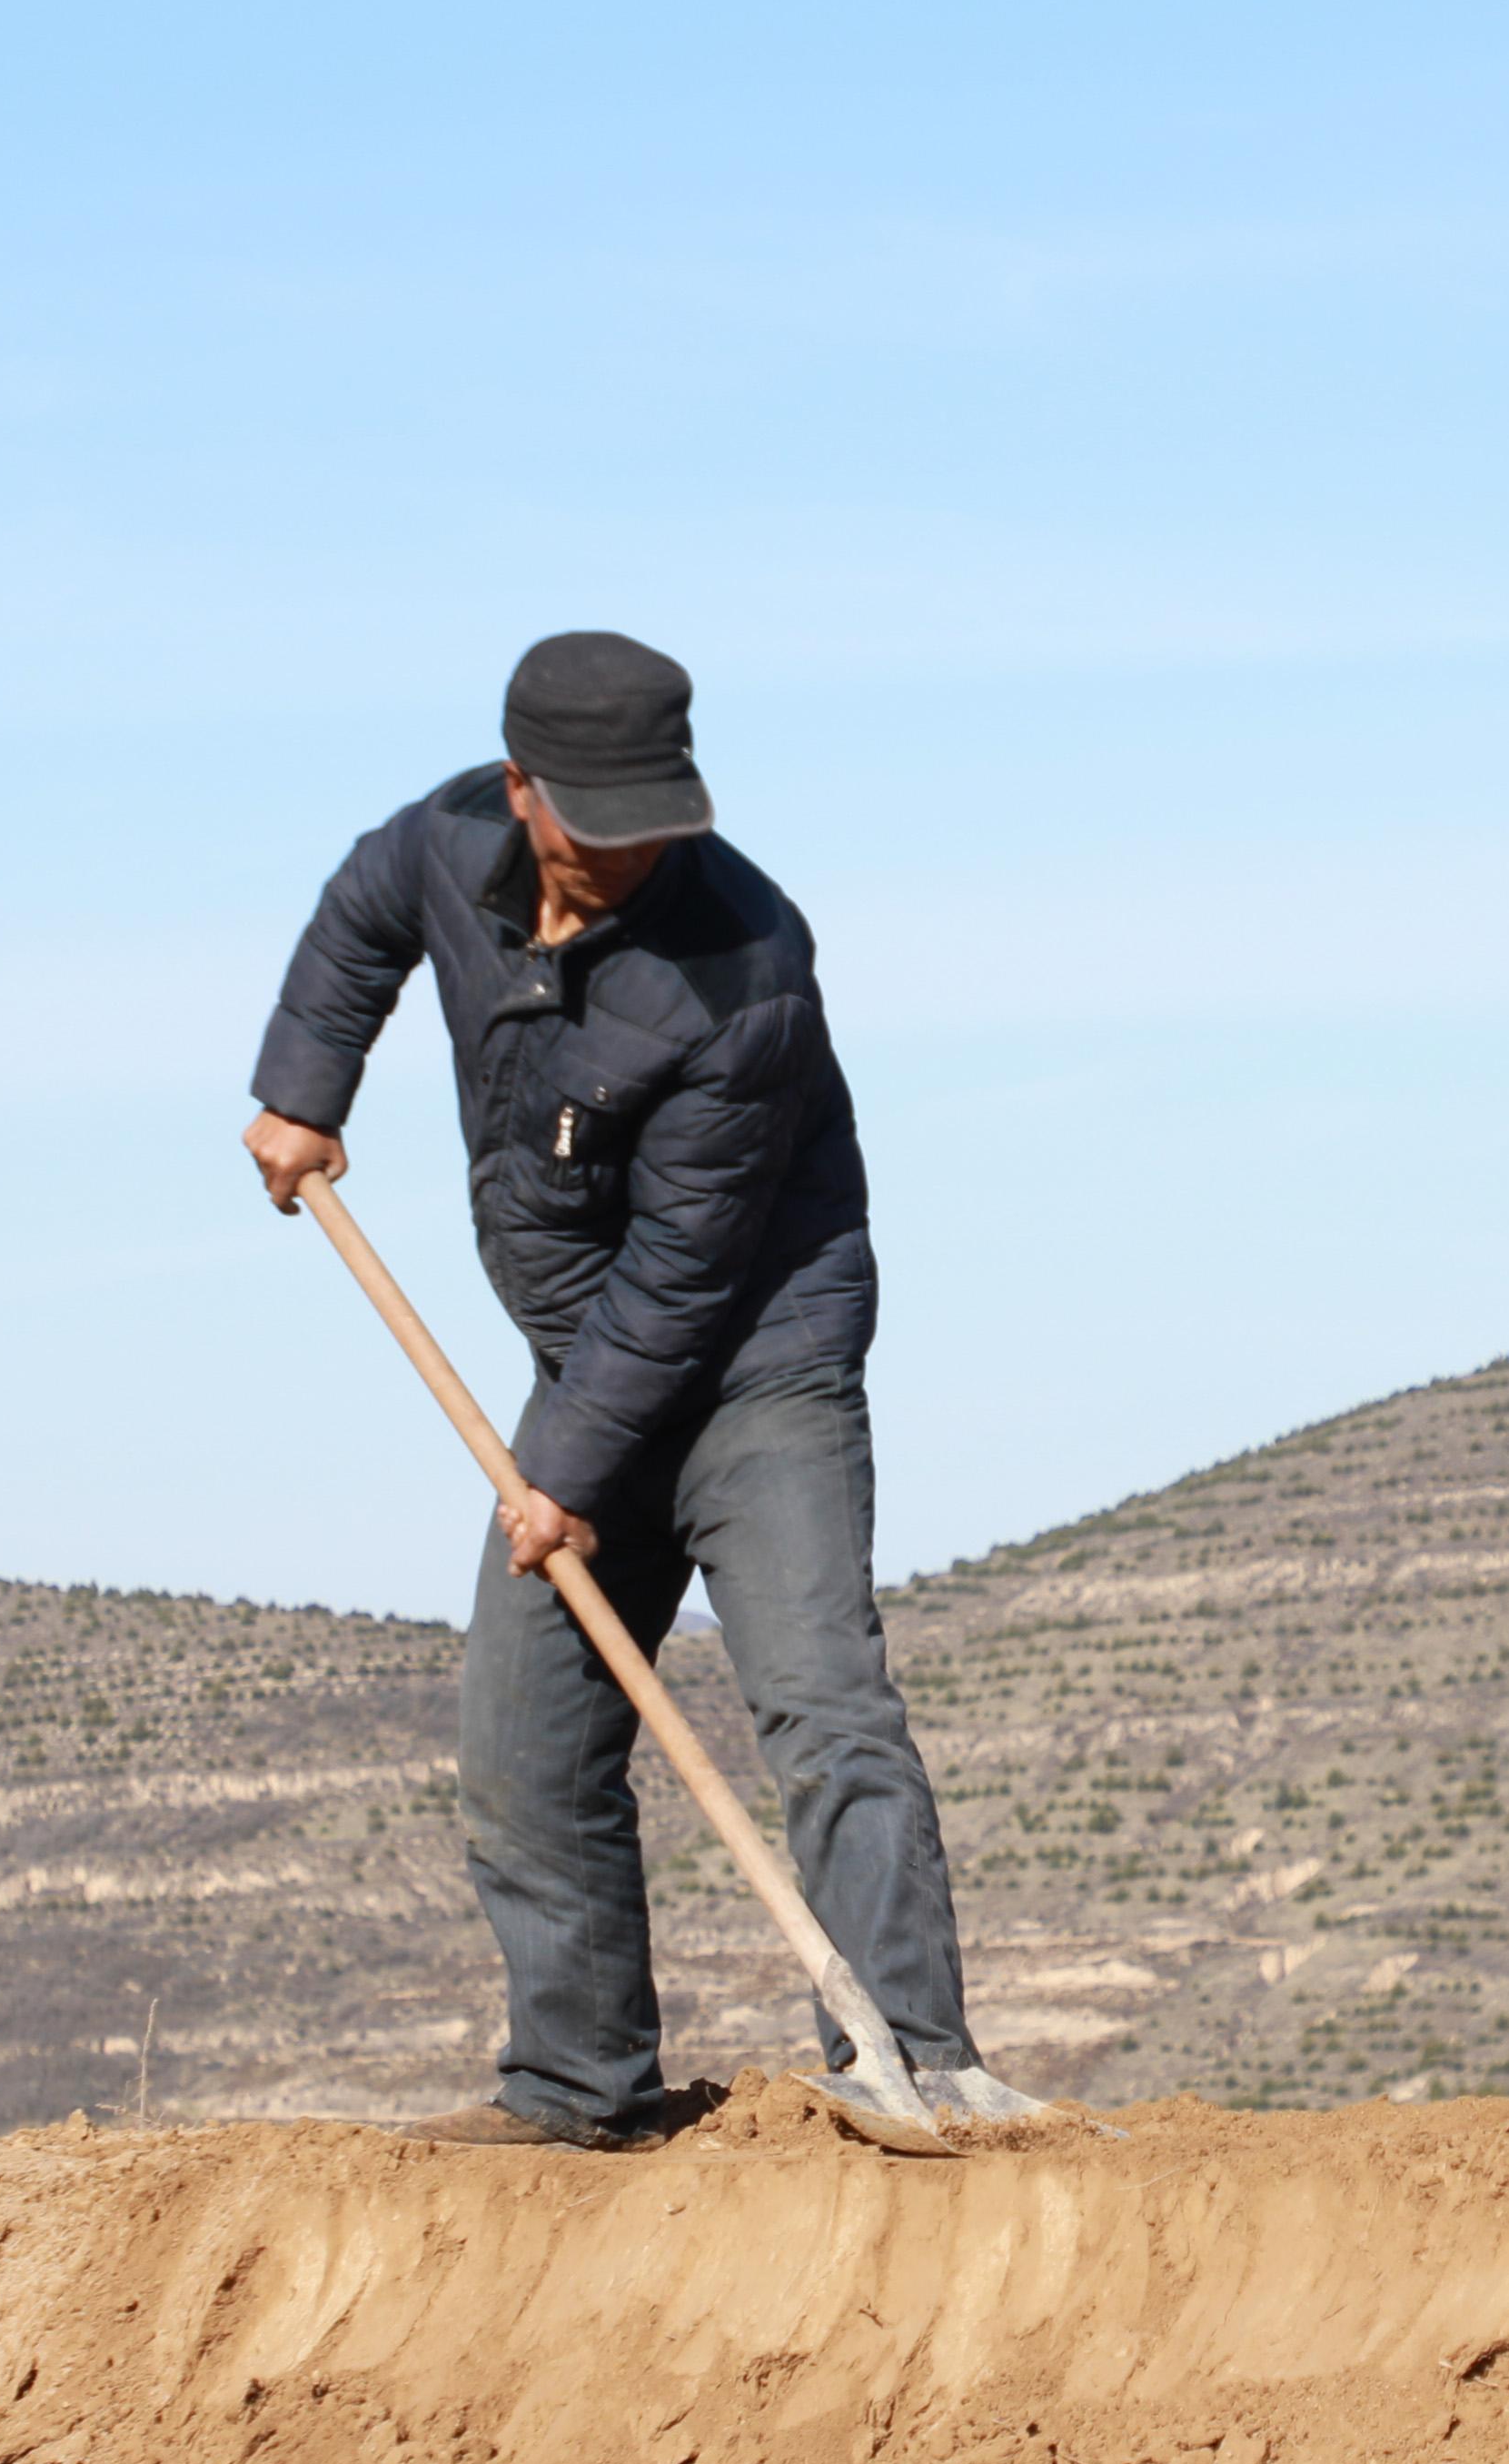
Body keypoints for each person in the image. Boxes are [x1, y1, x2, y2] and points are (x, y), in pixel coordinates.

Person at [240, 631, 1035, 2150]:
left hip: (757, 1367)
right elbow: (363, 912)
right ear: (522, 790)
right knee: (525, 1741)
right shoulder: (444, 841)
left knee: (822, 1703)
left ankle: (917, 2067)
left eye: (656, 822)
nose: (631, 855)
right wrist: (304, 1087)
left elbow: (682, 1280)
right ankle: (578, 2089)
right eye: (598, 826)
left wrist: (564, 1474)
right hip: (586, 1361)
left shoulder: (744, 967)